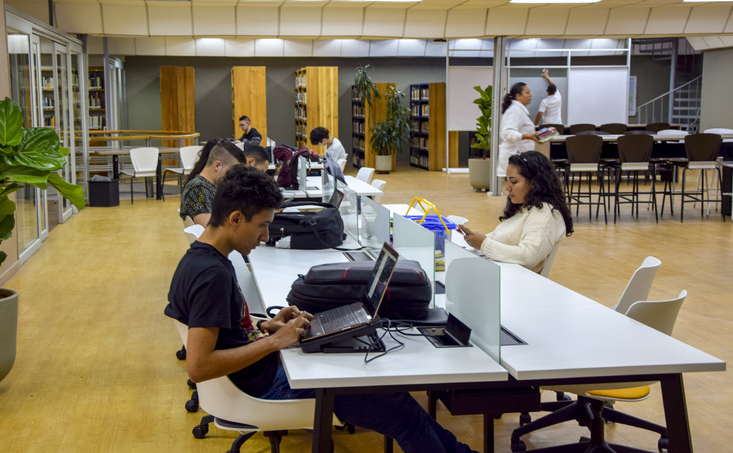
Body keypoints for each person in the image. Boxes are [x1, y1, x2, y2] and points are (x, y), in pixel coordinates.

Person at [165, 165, 477, 453]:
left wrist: (268, 326)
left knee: (393, 397)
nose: (265, 236)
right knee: (399, 412)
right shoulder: (212, 276)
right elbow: (199, 367)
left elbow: (225, 332)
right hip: (268, 386)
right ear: (234, 218)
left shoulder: (204, 258)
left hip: (266, 371)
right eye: (261, 226)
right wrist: (275, 342)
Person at [459, 151, 573, 274]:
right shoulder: (525, 208)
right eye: (507, 181)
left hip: (514, 283)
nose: (508, 187)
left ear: (534, 183)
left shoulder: (544, 214)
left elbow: (529, 256)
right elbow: (506, 237)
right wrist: (479, 238)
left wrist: (484, 243)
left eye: (514, 182)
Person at [179, 139, 246, 226]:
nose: (233, 177)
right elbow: (209, 229)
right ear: (217, 165)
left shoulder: (210, 186)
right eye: (232, 171)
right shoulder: (198, 189)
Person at [497, 82, 540, 178]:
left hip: (520, 158)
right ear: (519, 96)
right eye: (527, 93)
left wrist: (532, 135)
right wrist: (529, 136)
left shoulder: (519, 110)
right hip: (515, 157)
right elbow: (508, 133)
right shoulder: (515, 111)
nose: (531, 95)